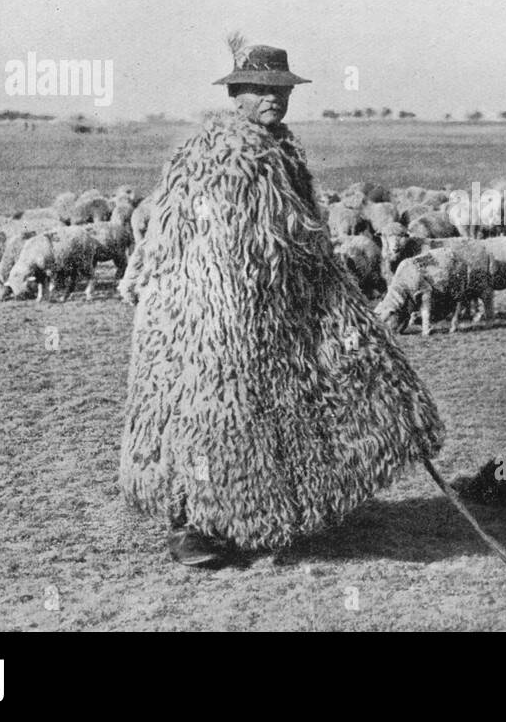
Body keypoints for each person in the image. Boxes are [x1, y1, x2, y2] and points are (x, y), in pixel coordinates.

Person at [120, 37, 445, 566]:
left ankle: (265, 513)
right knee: (207, 415)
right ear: (237, 93)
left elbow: (294, 235)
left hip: (265, 307)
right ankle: (194, 527)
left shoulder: (281, 151)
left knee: (276, 407)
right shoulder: (215, 154)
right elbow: (207, 238)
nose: (274, 98)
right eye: (261, 89)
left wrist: (316, 275)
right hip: (204, 315)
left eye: (282, 89)